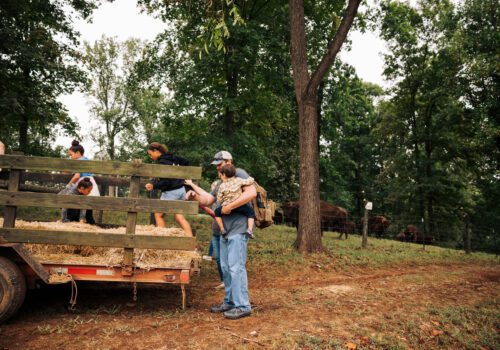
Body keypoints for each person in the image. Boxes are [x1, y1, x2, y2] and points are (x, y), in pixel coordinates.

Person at [186, 150, 256, 320]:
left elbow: (251, 193)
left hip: (238, 227)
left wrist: (229, 206)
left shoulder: (239, 174)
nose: (218, 167)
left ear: (229, 161)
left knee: (236, 266)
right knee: (225, 267)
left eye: (220, 164)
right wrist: (194, 196)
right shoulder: (220, 181)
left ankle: (243, 305)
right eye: (216, 165)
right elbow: (209, 200)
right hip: (222, 231)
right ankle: (230, 302)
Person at [145, 142, 193, 237]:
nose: (151, 157)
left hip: (171, 192)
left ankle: (163, 241)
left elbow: (166, 182)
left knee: (158, 214)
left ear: (156, 151)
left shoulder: (162, 162)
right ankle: (191, 241)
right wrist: (181, 175)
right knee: (179, 217)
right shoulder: (174, 158)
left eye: (151, 154)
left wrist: (154, 186)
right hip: (181, 190)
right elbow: (186, 162)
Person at [214, 164, 255, 239]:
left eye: (221, 175)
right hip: (238, 205)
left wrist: (223, 202)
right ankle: (249, 229)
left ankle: (222, 229)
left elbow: (219, 198)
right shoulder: (238, 180)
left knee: (217, 212)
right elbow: (248, 181)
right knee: (251, 213)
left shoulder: (222, 185)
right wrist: (251, 178)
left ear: (224, 175)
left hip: (226, 207)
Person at [66, 140, 99, 224]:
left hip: (83, 183)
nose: (70, 157)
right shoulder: (86, 159)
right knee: (88, 208)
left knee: (77, 204)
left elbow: (77, 176)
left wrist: (68, 185)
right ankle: (91, 223)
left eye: (71, 155)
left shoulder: (78, 161)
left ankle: (75, 221)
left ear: (77, 153)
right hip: (91, 183)